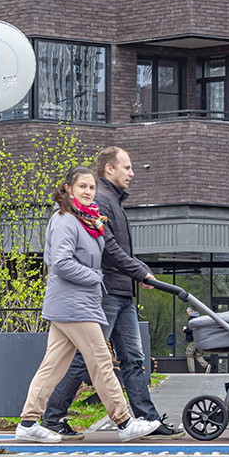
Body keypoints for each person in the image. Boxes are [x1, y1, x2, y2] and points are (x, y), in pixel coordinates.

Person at [41, 147, 185, 440]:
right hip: (105, 293)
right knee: (87, 358)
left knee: (132, 358)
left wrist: (140, 270)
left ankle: (147, 420)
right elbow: (109, 250)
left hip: (122, 293)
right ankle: (52, 417)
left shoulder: (112, 201)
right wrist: (139, 271)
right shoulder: (102, 201)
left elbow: (118, 249)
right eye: (127, 167)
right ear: (110, 168)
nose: (132, 173)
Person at [14, 166, 160, 443]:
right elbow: (60, 262)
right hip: (73, 304)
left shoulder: (86, 221)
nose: (88, 192)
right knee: (101, 361)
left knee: (54, 365)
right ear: (68, 189)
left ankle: (28, 422)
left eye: (92, 187)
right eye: (82, 186)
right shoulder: (65, 220)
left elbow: (101, 253)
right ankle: (124, 421)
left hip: (75, 302)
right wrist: (95, 277)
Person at [184, 306, 212, 373]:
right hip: (199, 339)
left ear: (190, 312)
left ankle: (192, 372)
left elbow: (190, 330)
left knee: (189, 354)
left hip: (192, 339)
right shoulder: (199, 318)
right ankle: (206, 365)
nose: (188, 314)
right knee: (198, 354)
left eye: (188, 312)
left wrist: (185, 329)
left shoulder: (191, 319)